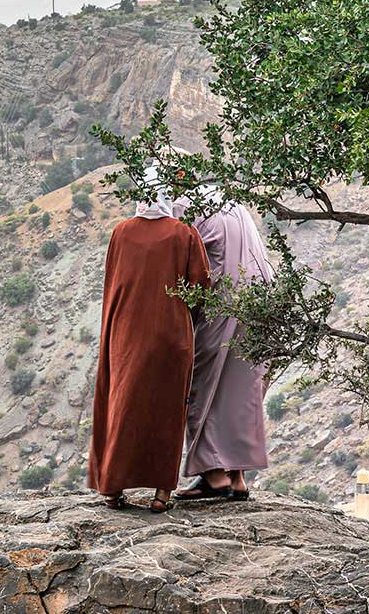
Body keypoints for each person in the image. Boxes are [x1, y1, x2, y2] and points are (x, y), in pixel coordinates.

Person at [86, 175, 210, 512]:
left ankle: (112, 488)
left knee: (122, 406)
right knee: (166, 412)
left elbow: (113, 284)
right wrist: (185, 319)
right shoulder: (184, 233)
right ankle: (161, 494)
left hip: (124, 335)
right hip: (171, 337)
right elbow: (200, 287)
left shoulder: (121, 232)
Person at [174, 183, 275, 502]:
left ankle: (215, 477)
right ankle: (239, 477)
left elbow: (185, 267)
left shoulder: (185, 208)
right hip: (257, 304)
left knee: (202, 385)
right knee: (240, 390)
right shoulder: (232, 203)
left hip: (221, 306)